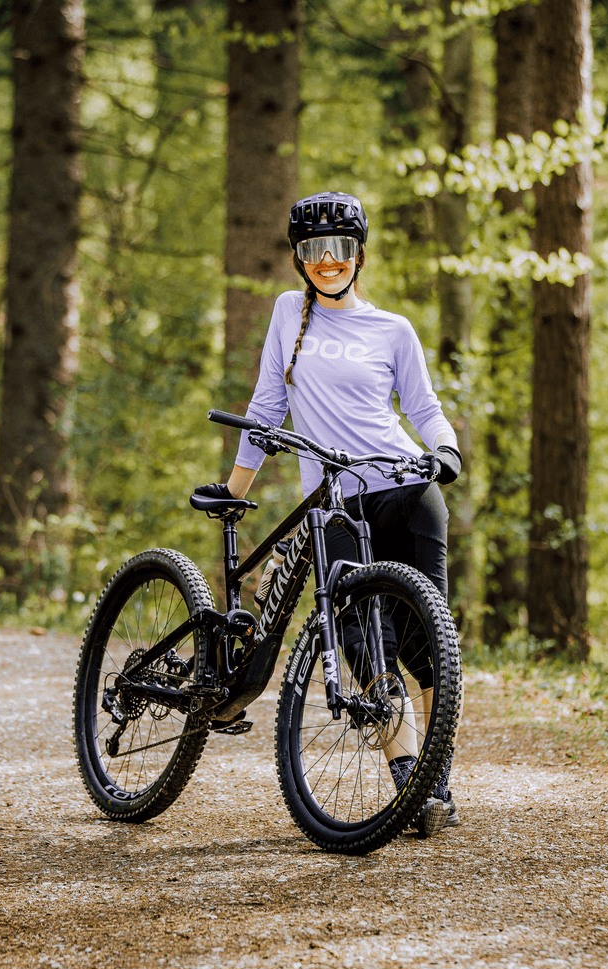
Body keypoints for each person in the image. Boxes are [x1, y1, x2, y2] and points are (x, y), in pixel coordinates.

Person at [197, 191, 462, 835]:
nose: (326, 261)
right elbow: (266, 408)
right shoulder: (291, 314)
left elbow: (422, 409)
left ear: (358, 255)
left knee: (431, 646)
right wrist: (237, 486)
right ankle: (410, 782)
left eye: (339, 249)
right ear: (298, 257)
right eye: (313, 250)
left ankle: (436, 778)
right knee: (369, 641)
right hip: (338, 502)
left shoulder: (393, 329)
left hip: (407, 486)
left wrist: (447, 448)